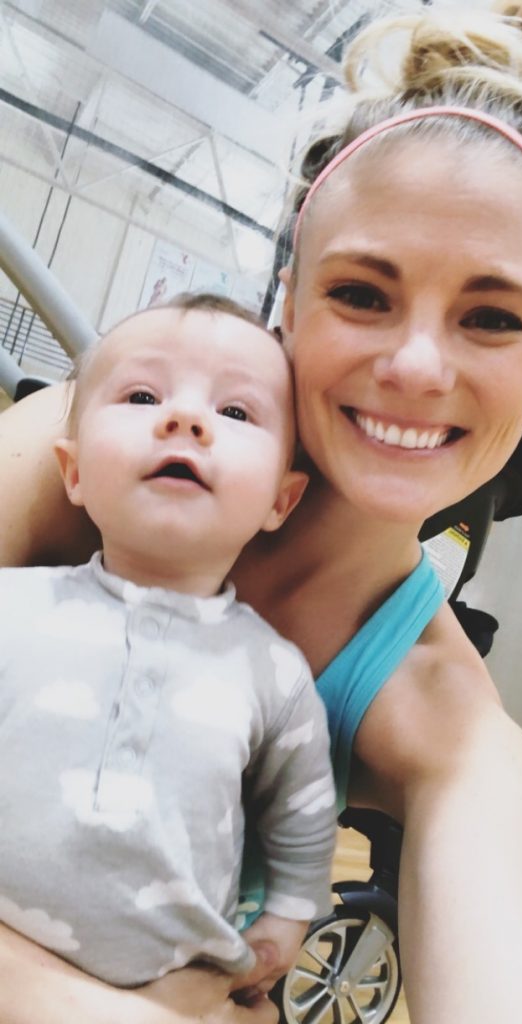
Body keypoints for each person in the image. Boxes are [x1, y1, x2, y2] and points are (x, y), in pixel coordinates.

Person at [0, 0, 522, 1021]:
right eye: (362, 294)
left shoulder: (448, 728)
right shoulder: (73, 454)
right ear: (288, 297)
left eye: (491, 317)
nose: (416, 366)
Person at [0, 294, 337, 992]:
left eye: (235, 411)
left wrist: (287, 916)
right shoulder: (12, 606)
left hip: (171, 986)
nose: (184, 419)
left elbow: (301, 810)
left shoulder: (274, 673)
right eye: (143, 396)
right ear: (74, 472)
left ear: (281, 499)